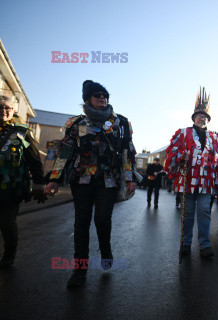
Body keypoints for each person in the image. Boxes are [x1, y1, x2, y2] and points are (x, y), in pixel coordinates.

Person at [44, 80, 137, 287]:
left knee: (103, 219)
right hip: (82, 179)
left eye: (105, 95)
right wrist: (54, 178)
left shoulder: (121, 123)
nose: (102, 98)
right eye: (97, 95)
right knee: (81, 223)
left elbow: (127, 152)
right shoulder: (76, 124)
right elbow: (65, 151)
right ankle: (79, 270)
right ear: (87, 100)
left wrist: (130, 178)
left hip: (109, 179)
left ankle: (105, 249)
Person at [164, 87, 218, 258]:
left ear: (207, 120)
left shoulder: (214, 138)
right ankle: (186, 243)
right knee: (188, 213)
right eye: (199, 115)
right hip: (187, 181)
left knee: (205, 212)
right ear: (193, 118)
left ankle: (204, 245)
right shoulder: (183, 133)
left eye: (204, 116)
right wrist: (180, 158)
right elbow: (171, 153)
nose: (201, 118)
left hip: (206, 182)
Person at [0, 96, 47, 268]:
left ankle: (9, 255)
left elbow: (34, 160)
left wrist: (39, 185)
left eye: (7, 108)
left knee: (6, 222)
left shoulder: (22, 132)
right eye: (0, 107)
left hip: (11, 188)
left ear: (13, 111)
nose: (3, 111)